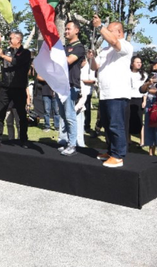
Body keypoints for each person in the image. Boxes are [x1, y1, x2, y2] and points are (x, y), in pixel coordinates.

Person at [88, 16, 133, 168]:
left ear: (119, 32)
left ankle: (119, 155)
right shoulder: (105, 50)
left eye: (110, 30)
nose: (106, 33)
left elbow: (114, 42)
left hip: (117, 93)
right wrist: (92, 58)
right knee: (107, 125)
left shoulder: (125, 46)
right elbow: (95, 67)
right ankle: (111, 150)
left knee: (116, 124)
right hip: (105, 93)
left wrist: (100, 26)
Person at [0, 31, 31, 149]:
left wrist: (3, 56)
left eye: (11, 38)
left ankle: (23, 139)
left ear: (18, 39)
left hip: (19, 87)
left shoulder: (25, 53)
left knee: (22, 115)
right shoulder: (6, 51)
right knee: (0, 113)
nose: (8, 40)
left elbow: (16, 62)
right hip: (5, 87)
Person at [57, 20, 86, 156]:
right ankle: (67, 141)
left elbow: (67, 61)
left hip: (71, 86)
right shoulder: (65, 47)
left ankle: (72, 144)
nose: (66, 31)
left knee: (70, 116)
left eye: (69, 29)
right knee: (63, 116)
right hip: (61, 85)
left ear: (77, 30)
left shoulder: (79, 47)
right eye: (66, 29)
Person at [129, 56, 148, 146]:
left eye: (140, 62)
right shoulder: (127, 73)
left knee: (140, 120)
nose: (139, 64)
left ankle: (142, 140)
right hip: (129, 98)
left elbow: (146, 89)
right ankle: (128, 139)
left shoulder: (144, 74)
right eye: (137, 62)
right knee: (128, 119)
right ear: (132, 63)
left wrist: (144, 100)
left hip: (139, 99)